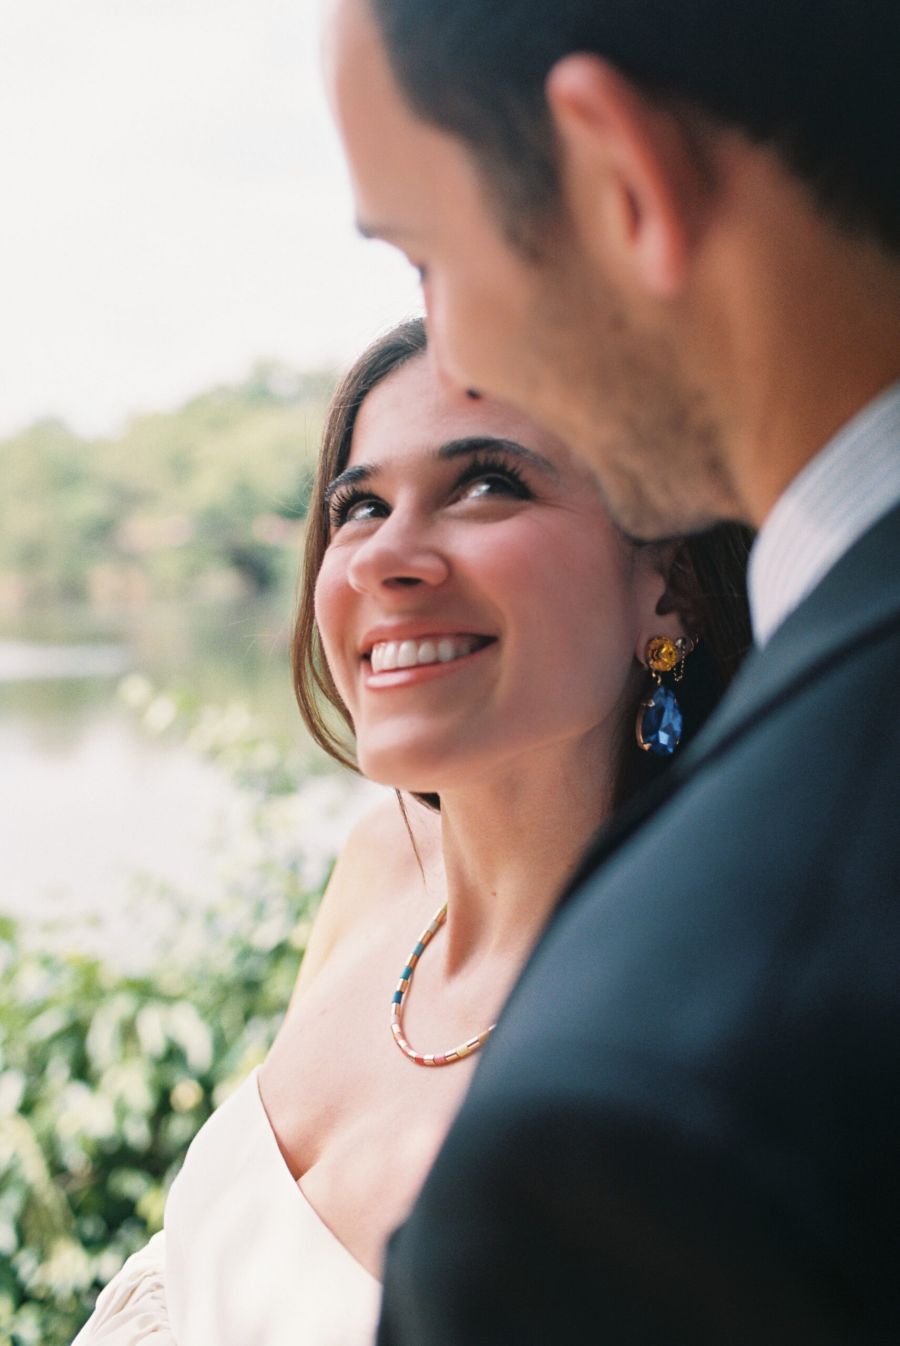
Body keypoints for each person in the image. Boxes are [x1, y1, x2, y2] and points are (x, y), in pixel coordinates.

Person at [322, 0, 900, 1342]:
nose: (449, 354)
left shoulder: (626, 1123)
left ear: (619, 177)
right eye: (358, 505)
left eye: (425, 252)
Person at [72, 317, 751, 1345]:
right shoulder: (379, 869)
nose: (385, 555)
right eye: (360, 504)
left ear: (668, 586)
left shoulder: (709, 1028)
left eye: (488, 484)